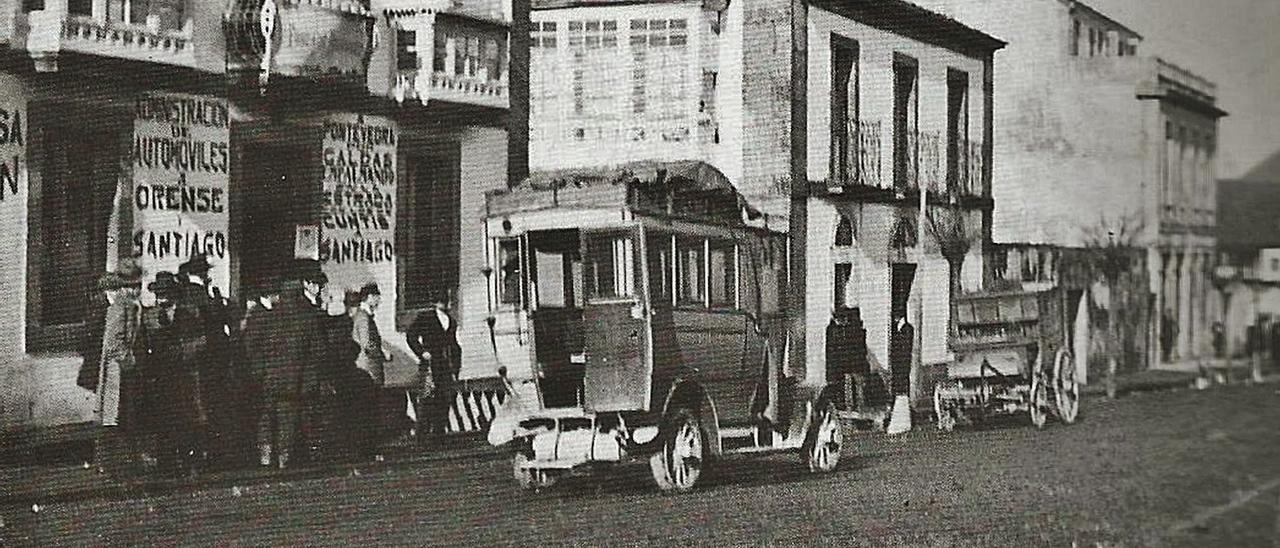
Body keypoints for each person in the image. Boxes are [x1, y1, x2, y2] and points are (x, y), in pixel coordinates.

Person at [252, 262, 324, 469]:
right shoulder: (308, 317)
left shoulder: (269, 316)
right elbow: (319, 351)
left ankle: (265, 459)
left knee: (266, 417)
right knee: (287, 420)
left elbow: (254, 347)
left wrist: (260, 371)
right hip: (294, 380)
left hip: (268, 379)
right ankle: (284, 462)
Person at [176, 253, 237, 469]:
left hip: (193, 362)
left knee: (195, 409)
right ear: (203, 274)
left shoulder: (187, 295)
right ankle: (205, 457)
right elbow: (213, 330)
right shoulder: (200, 296)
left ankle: (195, 456)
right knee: (204, 408)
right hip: (205, 362)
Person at [138, 271, 201, 477]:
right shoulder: (149, 318)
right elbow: (143, 346)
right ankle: (164, 464)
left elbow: (201, 342)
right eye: (159, 294)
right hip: (159, 378)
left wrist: (182, 351)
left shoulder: (189, 314)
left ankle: (186, 461)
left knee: (184, 420)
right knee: (161, 420)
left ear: (174, 295)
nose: (161, 298)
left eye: (165, 293)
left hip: (184, 377)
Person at [91, 260, 144, 477]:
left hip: (126, 371)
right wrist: (129, 360)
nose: (136, 289)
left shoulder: (132, 305)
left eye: (138, 284)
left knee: (126, 417)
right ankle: (106, 462)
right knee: (112, 418)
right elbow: (113, 343)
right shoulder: (119, 308)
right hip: (118, 372)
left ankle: (128, 460)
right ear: (123, 286)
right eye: (132, 285)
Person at [407, 293, 461, 444]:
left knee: (444, 400)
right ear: (437, 302)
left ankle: (439, 436)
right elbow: (411, 336)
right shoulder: (426, 317)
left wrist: (456, 368)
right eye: (444, 300)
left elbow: (455, 345)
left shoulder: (451, 321)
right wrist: (422, 352)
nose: (448, 303)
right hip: (430, 366)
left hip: (445, 367)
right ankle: (422, 438)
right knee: (426, 399)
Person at [352, 283, 391, 460]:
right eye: (377, 296)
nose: (379, 300)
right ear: (369, 297)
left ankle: (367, 449)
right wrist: (383, 354)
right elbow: (367, 345)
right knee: (369, 411)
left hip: (367, 369)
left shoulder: (363, 316)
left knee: (369, 411)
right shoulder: (364, 317)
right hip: (368, 369)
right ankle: (368, 451)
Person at [889, 313, 914, 397]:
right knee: (898, 372)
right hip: (897, 357)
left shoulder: (907, 328)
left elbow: (906, 344)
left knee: (903, 373)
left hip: (903, 357)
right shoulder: (895, 327)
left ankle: (902, 390)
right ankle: (898, 390)